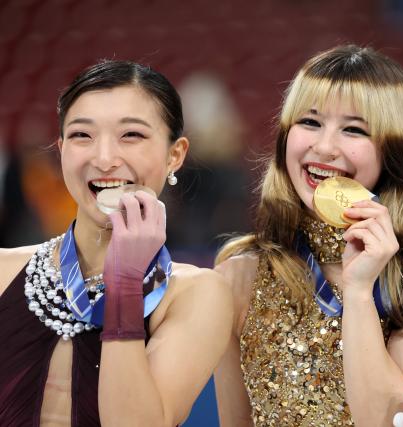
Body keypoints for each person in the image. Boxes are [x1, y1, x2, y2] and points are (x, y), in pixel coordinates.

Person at [213, 44, 403, 426]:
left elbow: (395, 421)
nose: (323, 147)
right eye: (309, 122)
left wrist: (358, 290)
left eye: (353, 129)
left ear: (395, 150)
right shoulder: (239, 276)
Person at [0, 60, 233, 426]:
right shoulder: (4, 270)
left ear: (175, 155)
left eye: (131, 136)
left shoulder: (198, 293)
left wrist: (125, 282)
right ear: (61, 150)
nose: (104, 158)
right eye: (82, 136)